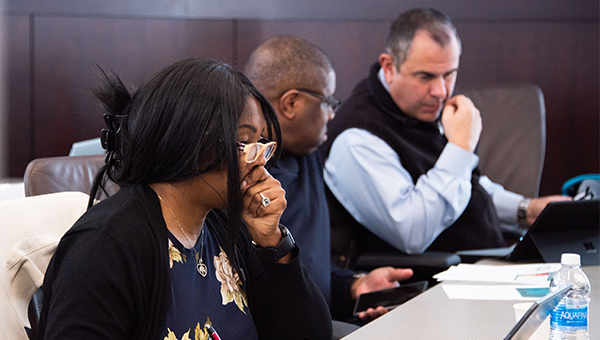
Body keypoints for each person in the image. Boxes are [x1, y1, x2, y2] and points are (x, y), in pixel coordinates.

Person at [37, 58, 332, 340]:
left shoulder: (225, 228)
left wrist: (274, 243)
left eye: (261, 145)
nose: (259, 162)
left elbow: (310, 334)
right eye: (243, 143)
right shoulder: (106, 246)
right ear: (188, 140)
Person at [319, 8, 570, 261]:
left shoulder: (419, 108)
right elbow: (413, 233)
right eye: (425, 76)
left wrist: (525, 211)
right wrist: (460, 148)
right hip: (429, 285)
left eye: (449, 74)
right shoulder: (356, 140)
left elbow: (463, 185)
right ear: (389, 67)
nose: (440, 91)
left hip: (485, 265)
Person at [244, 35, 413, 328]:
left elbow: (306, 270)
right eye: (328, 101)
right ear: (291, 103)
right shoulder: (245, 178)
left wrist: (353, 286)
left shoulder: (308, 155)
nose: (333, 113)